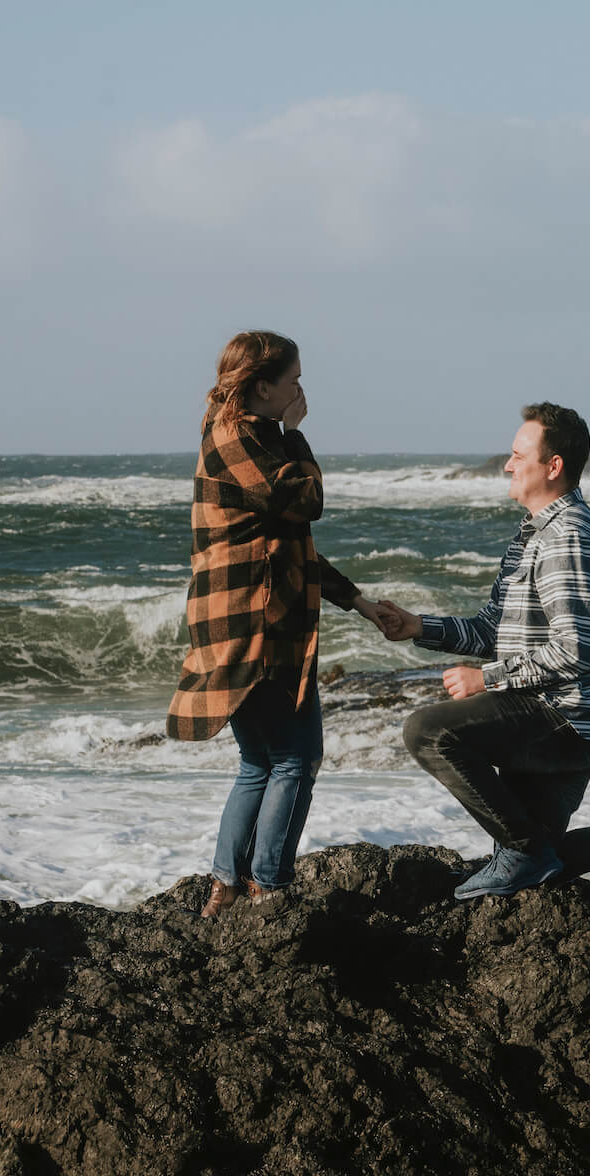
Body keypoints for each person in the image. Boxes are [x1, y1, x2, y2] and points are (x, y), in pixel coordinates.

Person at [376, 404, 590, 899]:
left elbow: (575, 651)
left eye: (517, 455)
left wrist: (486, 680)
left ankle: (524, 852)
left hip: (563, 719)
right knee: (540, 867)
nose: (507, 464)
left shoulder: (566, 536)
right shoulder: (534, 534)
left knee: (427, 731)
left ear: (553, 466)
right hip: (562, 721)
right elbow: (492, 630)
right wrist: (419, 627)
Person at [167, 331, 394, 917]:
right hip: (253, 625)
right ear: (263, 387)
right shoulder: (237, 438)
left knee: (260, 761)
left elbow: (288, 541)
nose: (301, 389)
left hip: (248, 621)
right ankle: (267, 887)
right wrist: (295, 432)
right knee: (295, 758)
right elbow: (306, 500)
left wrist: (357, 600)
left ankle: (226, 888)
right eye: (293, 379)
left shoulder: (244, 434)